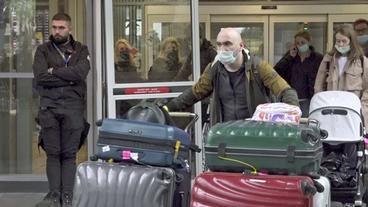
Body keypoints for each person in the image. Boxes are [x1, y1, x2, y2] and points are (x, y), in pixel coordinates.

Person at [166, 28, 299, 127]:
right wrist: (167, 108)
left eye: (228, 44)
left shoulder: (258, 67)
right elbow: (195, 92)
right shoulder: (214, 68)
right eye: (219, 44)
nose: (222, 49)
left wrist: (292, 117)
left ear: (241, 46)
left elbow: (285, 90)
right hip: (225, 135)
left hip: (256, 135)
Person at [33, 13, 90, 207]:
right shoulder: (43, 50)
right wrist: (70, 78)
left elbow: (81, 73)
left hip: (73, 109)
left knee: (69, 154)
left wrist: (54, 72)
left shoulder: (81, 50)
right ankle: (54, 194)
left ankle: (67, 195)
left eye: (61, 28)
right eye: (54, 27)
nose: (57, 31)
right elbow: (40, 77)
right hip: (49, 108)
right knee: (53, 153)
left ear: (69, 29)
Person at [314, 24, 368, 126]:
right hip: (331, 111)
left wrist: (362, 107)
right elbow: (318, 86)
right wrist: (321, 105)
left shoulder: (362, 61)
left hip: (353, 113)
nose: (341, 44)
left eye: (344, 41)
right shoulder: (328, 60)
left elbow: (367, 88)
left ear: (351, 42)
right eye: (338, 41)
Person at [274, 30, 323, 117]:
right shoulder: (291, 57)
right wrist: (290, 57)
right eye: (297, 43)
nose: (300, 45)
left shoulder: (317, 58)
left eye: (303, 42)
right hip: (291, 99)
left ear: (309, 42)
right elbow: (277, 71)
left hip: (309, 99)